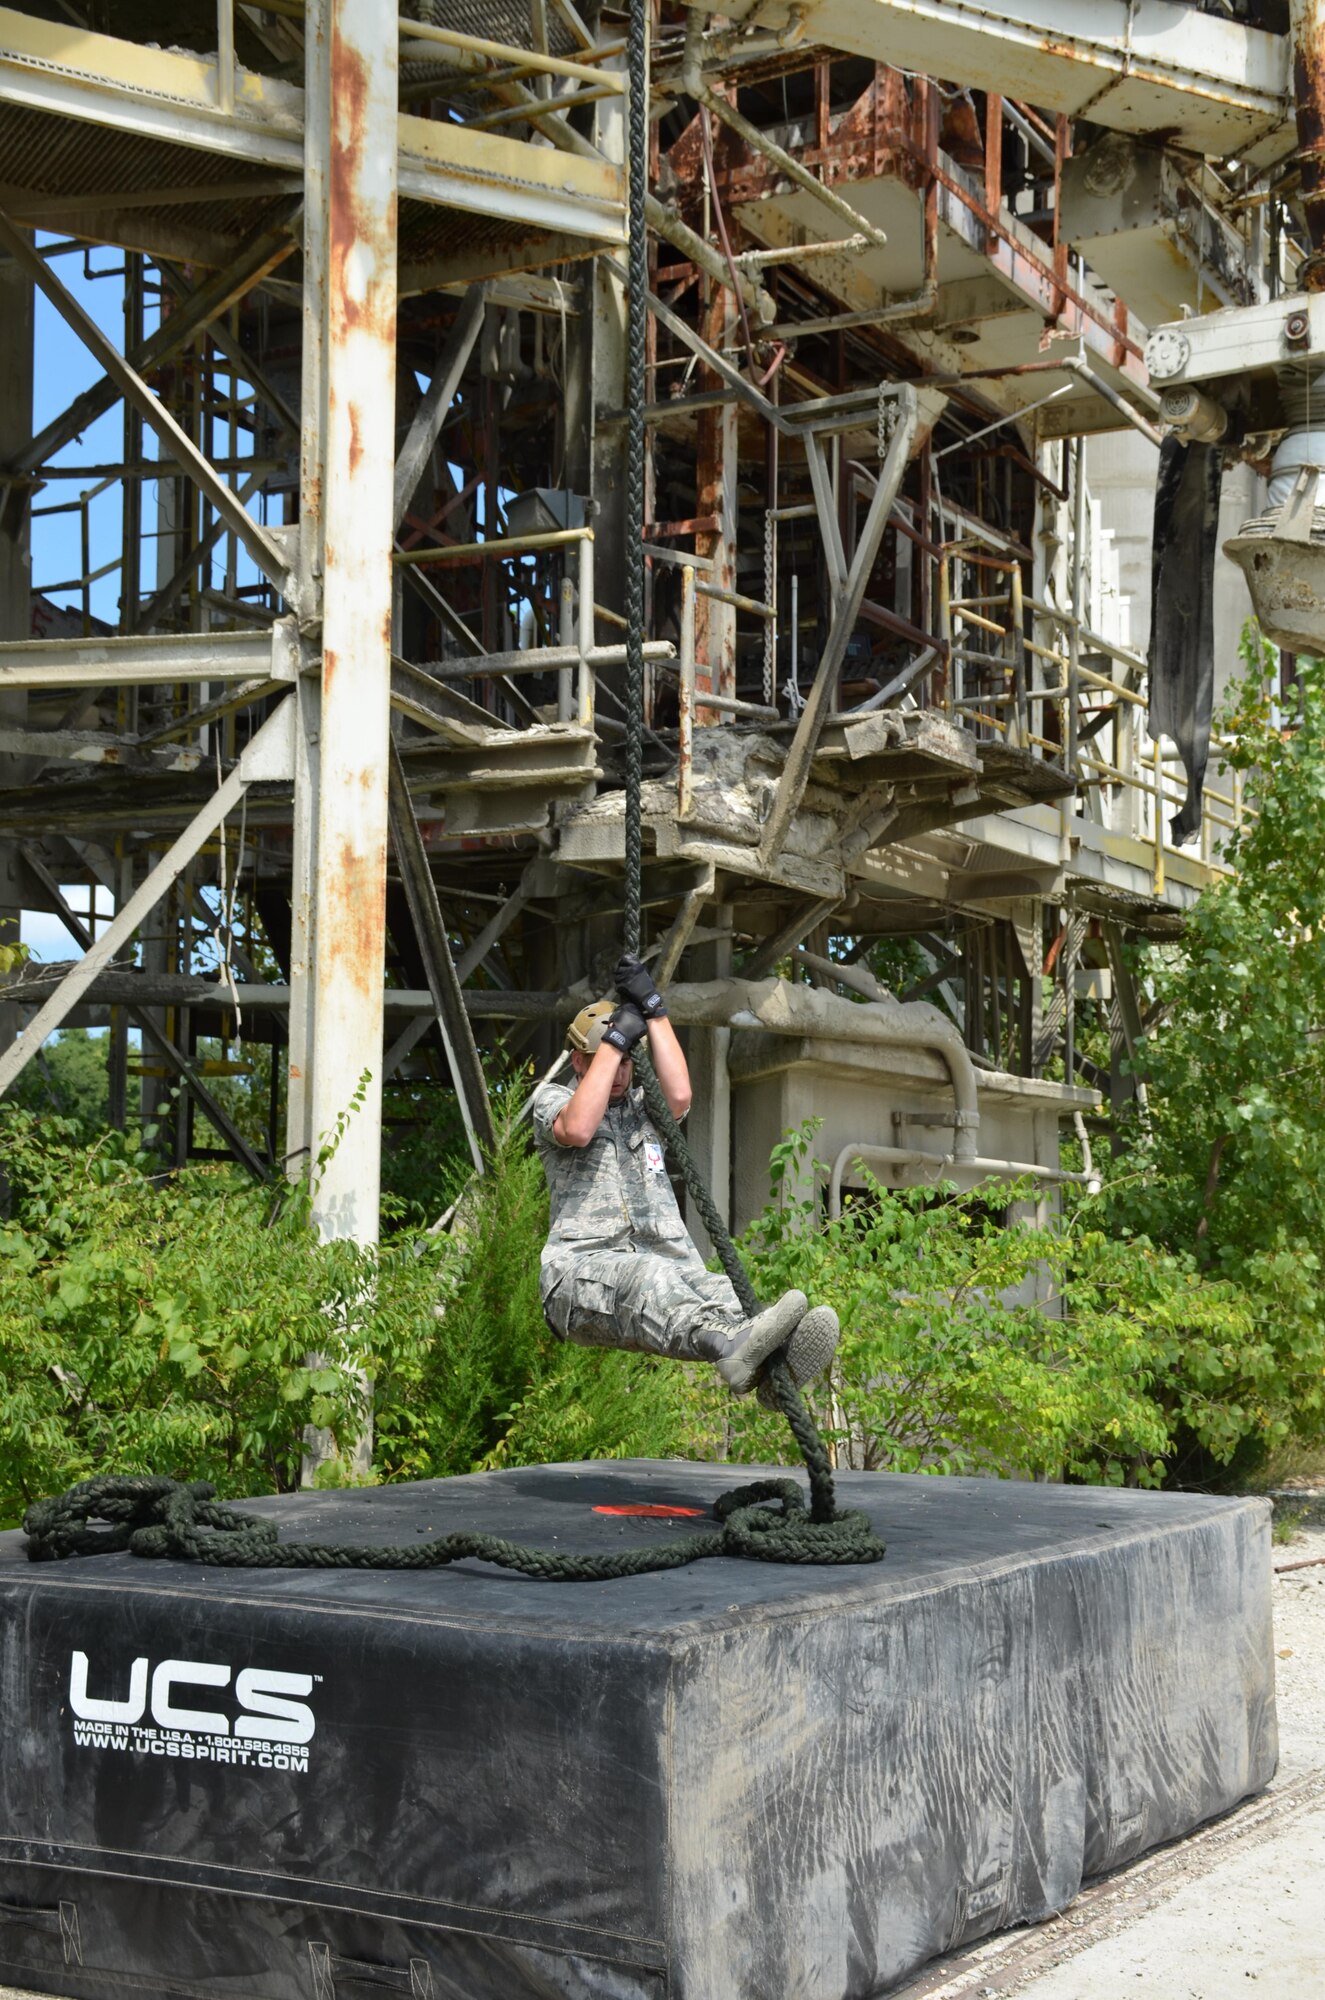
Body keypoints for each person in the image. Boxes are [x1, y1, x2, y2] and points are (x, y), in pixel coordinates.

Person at [531, 953, 839, 1399]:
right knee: (647, 1279)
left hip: (664, 1267)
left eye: (624, 1062)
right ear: (579, 1062)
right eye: (603, 1060)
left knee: (724, 1294)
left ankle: (775, 1372)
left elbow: (678, 1096)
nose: (618, 1071)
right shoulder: (554, 1102)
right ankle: (736, 1351)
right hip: (581, 1278)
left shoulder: (641, 1110)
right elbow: (577, 1128)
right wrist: (616, 1040)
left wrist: (654, 1010)